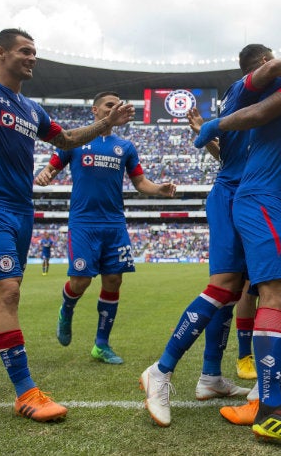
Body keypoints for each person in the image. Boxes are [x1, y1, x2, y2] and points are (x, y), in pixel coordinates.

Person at [0, 0, 134, 423]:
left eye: (35, 52)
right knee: (7, 290)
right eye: (25, 51)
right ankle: (26, 392)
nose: (32, 58)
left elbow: (65, 140)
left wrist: (104, 126)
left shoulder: (32, 109)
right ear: (0, 52)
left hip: (22, 209)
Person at [140, 42, 281, 434]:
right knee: (237, 288)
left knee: (250, 289)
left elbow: (233, 149)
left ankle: (221, 379)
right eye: (276, 59)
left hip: (260, 192)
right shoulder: (251, 87)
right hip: (245, 194)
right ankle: (170, 373)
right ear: (263, 63)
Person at [35, 91, 176, 365]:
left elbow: (140, 182)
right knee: (81, 281)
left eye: (118, 105)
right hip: (83, 222)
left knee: (114, 280)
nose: (115, 109)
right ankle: (67, 309)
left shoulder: (126, 146)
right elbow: (51, 168)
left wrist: (158, 188)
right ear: (95, 111)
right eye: (109, 105)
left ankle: (101, 344)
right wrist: (45, 173)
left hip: (114, 223)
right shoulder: (74, 141)